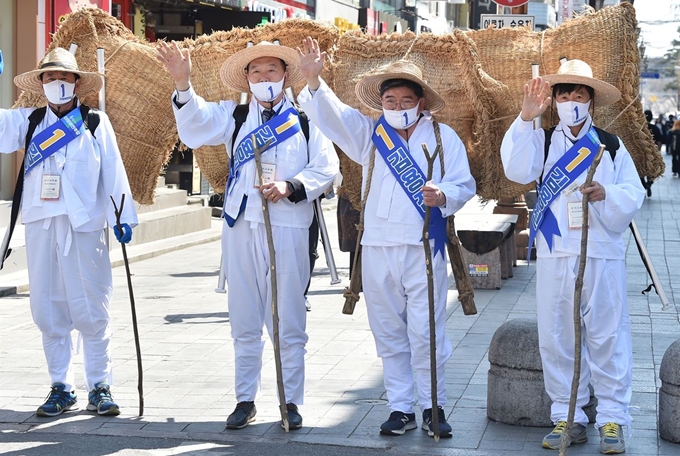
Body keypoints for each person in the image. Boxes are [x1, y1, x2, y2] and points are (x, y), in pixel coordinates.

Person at [297, 37, 476, 439]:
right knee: (388, 331)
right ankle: (400, 407)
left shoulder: (445, 138)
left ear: (421, 103)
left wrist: (444, 195)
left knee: (427, 329)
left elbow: (465, 184)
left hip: (423, 247)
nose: (396, 107)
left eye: (404, 100)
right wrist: (314, 80)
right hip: (376, 245)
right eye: (389, 100)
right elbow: (336, 117)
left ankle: (433, 406)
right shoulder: (371, 134)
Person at [156, 40, 338, 430]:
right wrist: (183, 84)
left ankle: (290, 402)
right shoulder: (234, 116)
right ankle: (245, 398)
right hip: (241, 226)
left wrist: (291, 186)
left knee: (287, 318)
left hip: (289, 227)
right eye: (255, 72)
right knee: (243, 317)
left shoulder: (306, 118)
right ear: (247, 79)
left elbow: (326, 167)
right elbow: (195, 126)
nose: (263, 78)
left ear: (285, 76)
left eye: (271, 70)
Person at [500, 59, 644, 454]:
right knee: (557, 336)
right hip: (555, 253)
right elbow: (516, 168)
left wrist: (606, 195)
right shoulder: (542, 140)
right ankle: (568, 416)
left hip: (601, 253)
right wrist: (526, 118)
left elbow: (634, 195)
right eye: (564, 94)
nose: (571, 101)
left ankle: (613, 419)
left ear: (591, 101)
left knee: (607, 336)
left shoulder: (611, 145)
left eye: (579, 94)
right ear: (555, 100)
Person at [1, 47, 137, 417]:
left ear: (76, 82)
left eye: (64, 77)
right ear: (41, 84)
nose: (56, 83)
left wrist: (123, 216)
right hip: (43, 224)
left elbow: (113, 170)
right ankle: (61, 386)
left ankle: (100, 386)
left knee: (92, 307)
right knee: (48, 308)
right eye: (49, 77)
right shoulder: (27, 122)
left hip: (85, 225)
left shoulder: (95, 122)